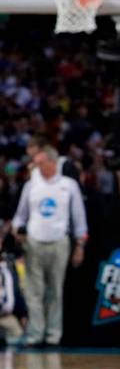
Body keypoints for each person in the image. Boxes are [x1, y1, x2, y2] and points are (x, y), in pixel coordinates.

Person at [11, 146, 87, 347]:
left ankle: (53, 335)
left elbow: (79, 217)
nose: (36, 166)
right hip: (34, 242)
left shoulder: (68, 185)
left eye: (40, 163)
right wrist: (18, 229)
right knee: (34, 291)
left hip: (59, 241)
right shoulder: (31, 185)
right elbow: (20, 214)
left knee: (55, 290)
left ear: (52, 163)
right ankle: (36, 334)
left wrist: (80, 244)